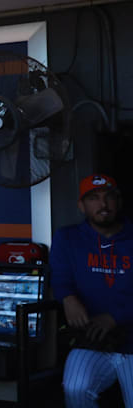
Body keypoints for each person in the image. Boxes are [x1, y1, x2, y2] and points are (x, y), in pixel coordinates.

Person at [52, 174, 133, 408]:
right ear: (81, 205)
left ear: (118, 201)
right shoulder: (68, 237)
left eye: (108, 197)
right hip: (93, 341)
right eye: (94, 198)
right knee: (76, 388)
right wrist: (67, 297)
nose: (103, 204)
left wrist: (114, 317)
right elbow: (60, 275)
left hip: (131, 339)